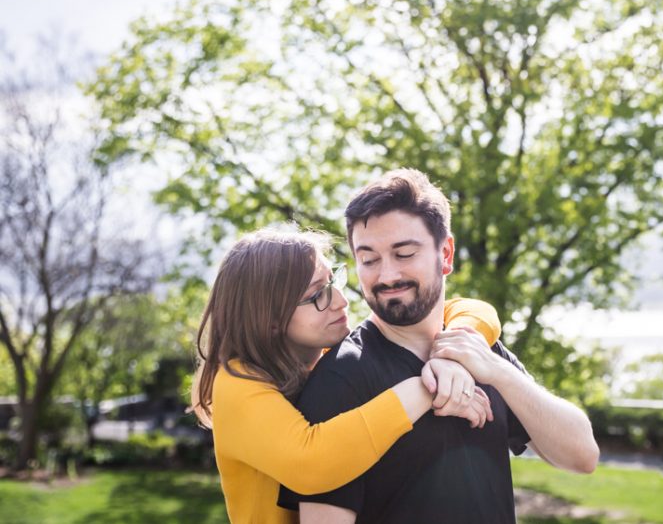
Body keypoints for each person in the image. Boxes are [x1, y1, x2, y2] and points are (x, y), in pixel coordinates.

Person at [279, 169, 599, 523]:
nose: (386, 276)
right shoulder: (341, 378)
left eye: (404, 253)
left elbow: (582, 456)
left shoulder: (481, 350)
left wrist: (498, 372)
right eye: (369, 259)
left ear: (445, 253)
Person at [191, 226, 502, 524]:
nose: (341, 300)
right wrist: (426, 386)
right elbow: (311, 463)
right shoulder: (236, 384)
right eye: (317, 296)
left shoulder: (330, 358)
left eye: (333, 281)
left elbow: (471, 308)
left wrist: (453, 354)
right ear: (269, 318)